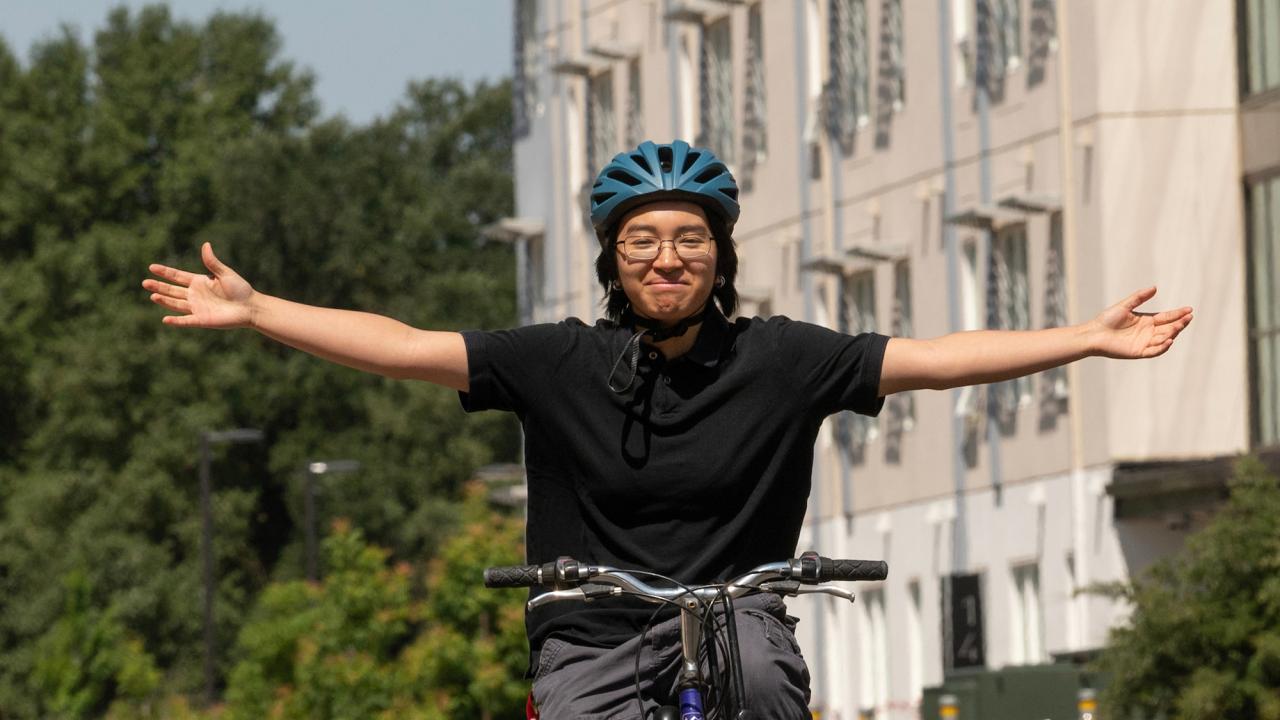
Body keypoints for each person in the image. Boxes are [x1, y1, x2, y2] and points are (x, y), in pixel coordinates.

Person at [143, 140, 1192, 718]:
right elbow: (404, 345)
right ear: (613, 262)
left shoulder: (780, 358)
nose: (664, 258)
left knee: (772, 689)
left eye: (688, 239)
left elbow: (928, 361)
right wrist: (258, 310)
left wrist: (1083, 339)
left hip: (738, 615)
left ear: (718, 258)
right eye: (640, 241)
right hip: (590, 624)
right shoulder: (557, 360)